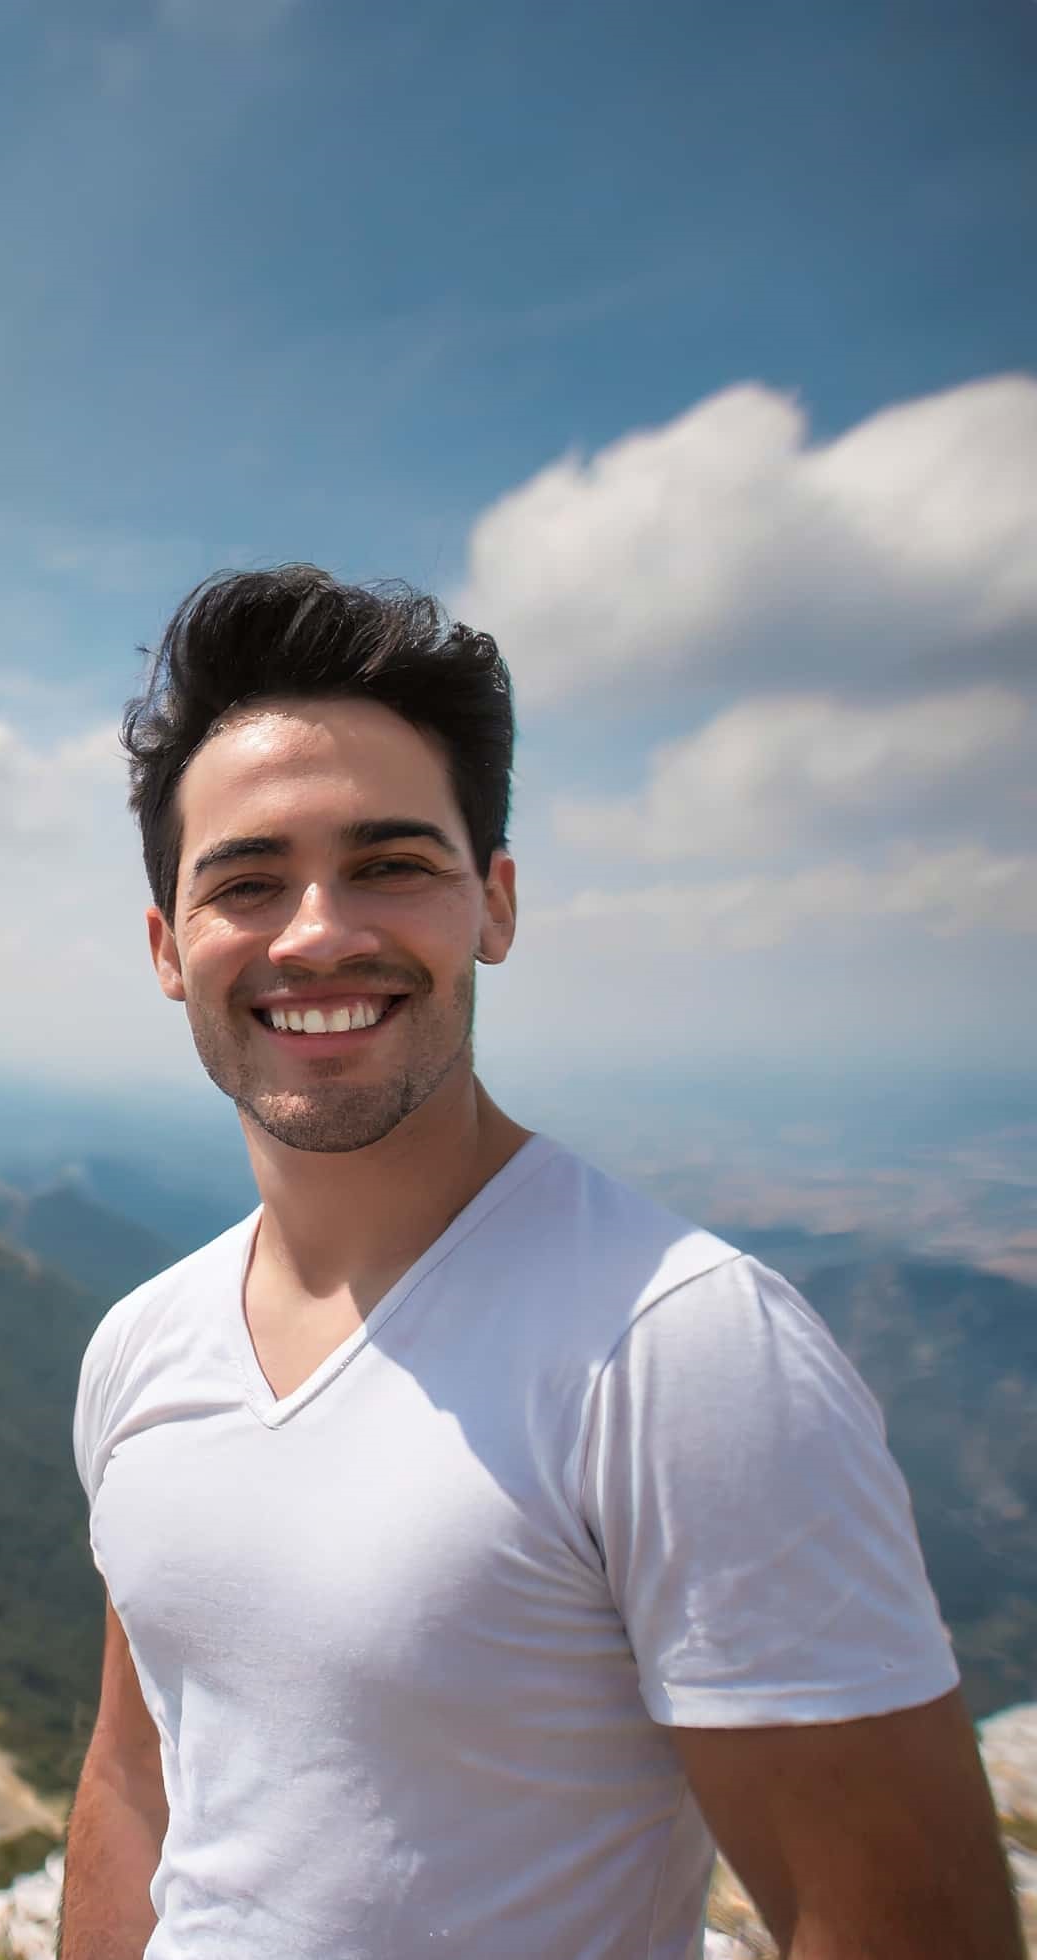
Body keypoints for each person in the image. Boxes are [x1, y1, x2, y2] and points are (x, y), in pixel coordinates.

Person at [59, 565, 1022, 1959]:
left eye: (391, 864)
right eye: (247, 882)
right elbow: (137, 1788)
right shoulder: (141, 1345)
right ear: (170, 948)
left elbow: (896, 1931)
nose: (318, 931)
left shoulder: (683, 1349)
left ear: (494, 908)